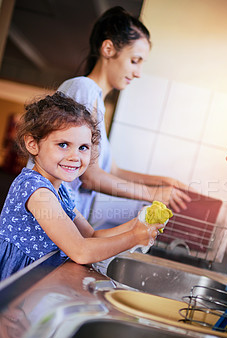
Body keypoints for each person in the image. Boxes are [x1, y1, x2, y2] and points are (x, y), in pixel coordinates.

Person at [0, 92, 163, 281]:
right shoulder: (37, 191)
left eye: (83, 147)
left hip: (36, 283)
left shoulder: (60, 191)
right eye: (63, 144)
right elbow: (80, 251)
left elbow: (91, 236)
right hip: (14, 288)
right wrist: (134, 237)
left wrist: (136, 225)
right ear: (32, 144)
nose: (75, 156)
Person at [58, 6, 191, 229]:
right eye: (135, 60)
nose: (138, 72)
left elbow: (112, 170)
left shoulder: (96, 100)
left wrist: (162, 182)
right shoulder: (84, 89)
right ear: (108, 48)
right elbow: (90, 176)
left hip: (68, 227)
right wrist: (153, 193)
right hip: (50, 226)